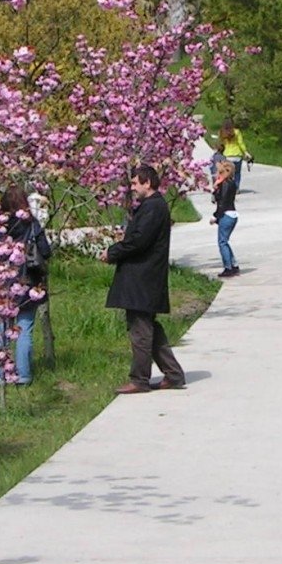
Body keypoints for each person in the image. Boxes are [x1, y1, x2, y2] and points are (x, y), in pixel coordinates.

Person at [102, 164, 186, 394]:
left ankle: (139, 379)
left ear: (147, 183)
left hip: (143, 277)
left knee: (140, 329)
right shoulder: (152, 207)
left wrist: (113, 252)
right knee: (149, 326)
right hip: (145, 277)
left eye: (135, 183)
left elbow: (139, 241)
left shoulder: (153, 208)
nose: (132, 187)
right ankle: (173, 374)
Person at [0, 185, 53, 386]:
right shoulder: (31, 224)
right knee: (24, 329)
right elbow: (46, 250)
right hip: (27, 283)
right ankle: (23, 375)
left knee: (1, 329)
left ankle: (1, 375)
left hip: (2, 283)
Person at [211, 157, 240, 278]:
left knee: (222, 242)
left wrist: (216, 217)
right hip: (232, 214)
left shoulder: (224, 185)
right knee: (225, 241)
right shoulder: (232, 183)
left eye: (219, 172)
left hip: (226, 215)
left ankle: (228, 267)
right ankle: (234, 264)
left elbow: (222, 202)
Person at [216, 120, 252, 191]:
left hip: (227, 156)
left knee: (228, 173)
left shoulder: (222, 132)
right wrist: (246, 152)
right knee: (237, 173)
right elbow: (240, 143)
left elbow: (220, 144)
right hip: (237, 155)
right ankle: (236, 188)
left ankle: (228, 188)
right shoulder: (236, 132)